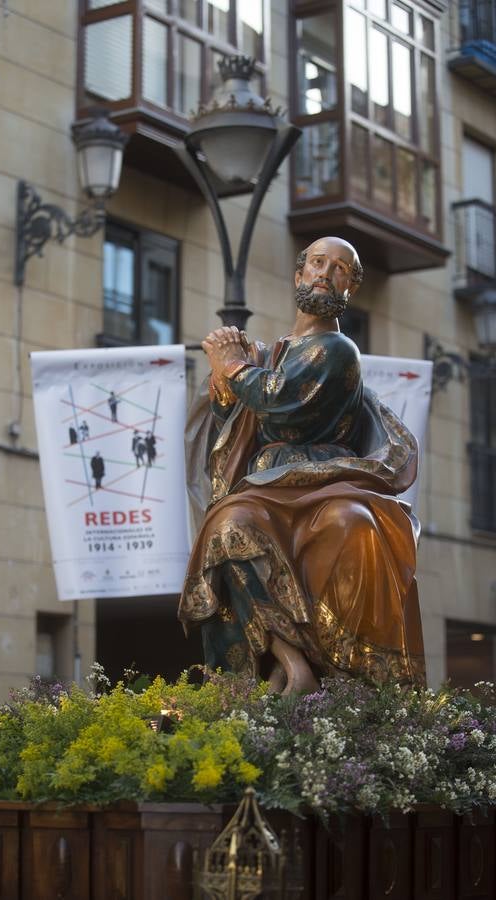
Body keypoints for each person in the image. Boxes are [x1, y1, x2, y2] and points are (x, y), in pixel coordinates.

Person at [178, 237, 425, 694]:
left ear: (350, 288)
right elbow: (234, 423)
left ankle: (352, 680)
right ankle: (290, 662)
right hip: (263, 481)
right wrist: (224, 384)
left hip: (323, 477)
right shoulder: (272, 353)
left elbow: (283, 401)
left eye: (340, 268)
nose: (326, 272)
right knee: (228, 525)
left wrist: (232, 367)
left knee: (348, 523)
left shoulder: (337, 349)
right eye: (317, 262)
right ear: (299, 275)